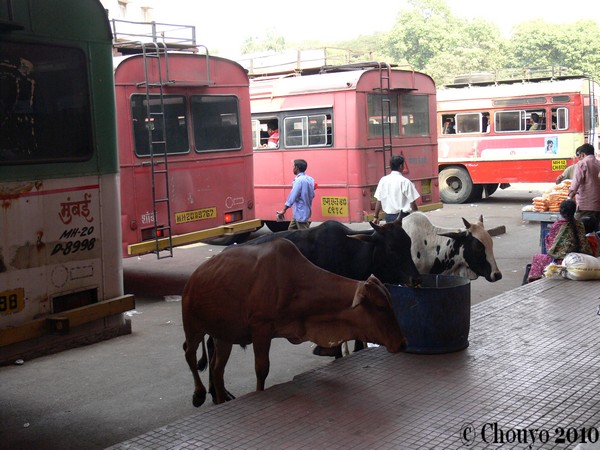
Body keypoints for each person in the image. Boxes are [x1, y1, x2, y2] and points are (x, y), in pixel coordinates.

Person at [527, 199, 593, 282]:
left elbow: (551, 249)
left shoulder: (557, 225)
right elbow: (584, 245)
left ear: (561, 211)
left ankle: (535, 282)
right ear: (574, 211)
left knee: (537, 257)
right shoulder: (579, 224)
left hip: (562, 261)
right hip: (579, 258)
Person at [372, 155, 420, 224]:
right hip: (403, 218)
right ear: (401, 166)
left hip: (389, 218)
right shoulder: (405, 182)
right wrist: (417, 217)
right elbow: (412, 203)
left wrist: (376, 217)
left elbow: (379, 200)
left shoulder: (383, 180)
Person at [568, 143, 600, 229]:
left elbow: (575, 183)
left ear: (582, 154)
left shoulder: (582, 163)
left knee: (579, 231)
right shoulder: (598, 163)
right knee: (593, 231)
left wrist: (569, 197)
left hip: (585, 206)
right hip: (597, 206)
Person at [276, 159, 315, 230]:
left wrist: (284, 210)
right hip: (302, 212)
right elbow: (312, 195)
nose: (292, 168)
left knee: (305, 235)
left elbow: (292, 196)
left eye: (293, 166)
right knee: (291, 230)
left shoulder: (299, 180)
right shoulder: (310, 179)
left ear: (296, 168)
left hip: (300, 213)